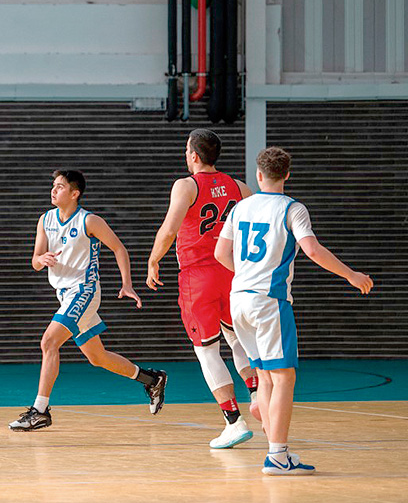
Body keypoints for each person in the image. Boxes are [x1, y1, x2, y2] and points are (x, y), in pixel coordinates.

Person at [215, 147, 372, 475]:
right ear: (287, 174)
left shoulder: (241, 207)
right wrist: (351, 274)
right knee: (284, 376)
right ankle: (277, 455)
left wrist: (244, 277)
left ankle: (275, 449)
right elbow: (312, 250)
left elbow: (220, 253)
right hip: (268, 301)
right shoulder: (292, 209)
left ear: (258, 175)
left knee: (265, 376)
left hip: (238, 298)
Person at [9, 170, 168, 431]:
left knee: (49, 342)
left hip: (84, 290)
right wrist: (42, 260)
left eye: (59, 187)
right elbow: (35, 260)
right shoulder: (45, 219)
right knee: (97, 357)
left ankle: (40, 411)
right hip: (64, 295)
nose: (53, 190)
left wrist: (126, 283)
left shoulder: (89, 221)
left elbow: (119, 248)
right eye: (53, 185)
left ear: (74, 193)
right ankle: (152, 380)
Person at [146, 129, 259, 449]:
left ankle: (234, 421)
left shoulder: (186, 185)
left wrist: (154, 260)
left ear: (194, 155)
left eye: (186, 150)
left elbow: (169, 229)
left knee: (207, 349)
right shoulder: (241, 187)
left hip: (199, 276)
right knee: (237, 338)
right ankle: (257, 394)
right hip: (235, 273)